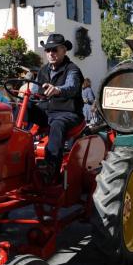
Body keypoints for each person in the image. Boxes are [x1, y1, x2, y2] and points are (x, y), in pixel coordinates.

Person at [28, 33, 84, 180]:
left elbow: (72, 86)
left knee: (58, 124)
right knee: (24, 108)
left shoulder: (72, 69)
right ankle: (16, 155)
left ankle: (51, 169)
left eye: (54, 50)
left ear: (64, 50)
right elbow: (35, 92)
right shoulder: (42, 70)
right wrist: (27, 93)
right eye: (48, 50)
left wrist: (58, 90)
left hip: (68, 113)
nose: (51, 53)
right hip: (47, 112)